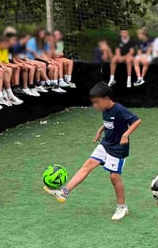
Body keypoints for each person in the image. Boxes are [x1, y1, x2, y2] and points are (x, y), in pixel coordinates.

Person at [44, 83, 142, 220]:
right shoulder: (105, 109)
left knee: (114, 177)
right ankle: (64, 192)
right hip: (106, 143)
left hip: (118, 148)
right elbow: (109, 122)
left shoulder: (119, 109)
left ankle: (122, 207)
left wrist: (126, 135)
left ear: (107, 98)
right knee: (88, 164)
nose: (95, 106)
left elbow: (137, 120)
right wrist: (100, 130)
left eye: (97, 102)